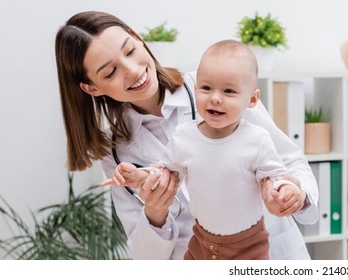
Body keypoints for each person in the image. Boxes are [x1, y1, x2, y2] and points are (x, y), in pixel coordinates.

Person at [54, 11, 318, 260]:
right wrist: (155, 213)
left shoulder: (219, 86)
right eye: (111, 72)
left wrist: (294, 194)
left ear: (138, 38)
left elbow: (290, 161)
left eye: (131, 50)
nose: (133, 70)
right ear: (91, 88)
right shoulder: (115, 151)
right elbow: (145, 257)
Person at [104, 39, 298, 260]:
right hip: (201, 242)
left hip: (248, 245)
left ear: (252, 99)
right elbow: (165, 171)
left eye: (228, 91)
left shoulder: (256, 139)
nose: (215, 98)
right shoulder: (184, 137)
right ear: (196, 89)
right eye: (206, 88)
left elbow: (276, 174)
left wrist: (285, 189)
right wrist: (139, 176)